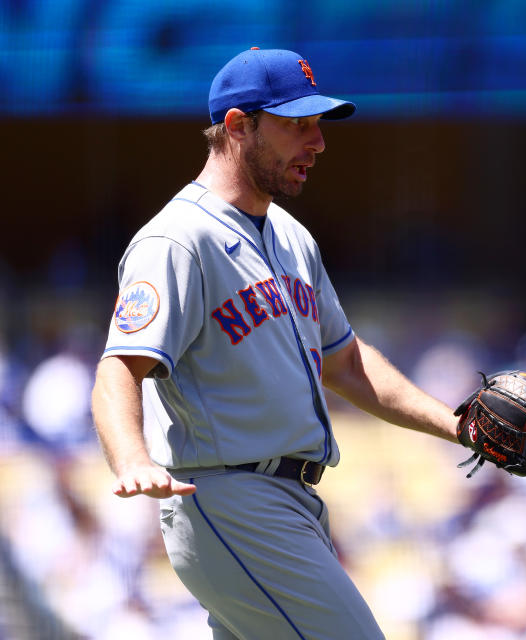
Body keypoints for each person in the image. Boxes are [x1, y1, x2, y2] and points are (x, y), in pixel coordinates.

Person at [91, 47, 462, 640]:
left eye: (319, 125)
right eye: (298, 125)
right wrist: (132, 458)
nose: (317, 143)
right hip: (231, 499)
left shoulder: (291, 235)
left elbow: (345, 362)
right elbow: (119, 367)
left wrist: (458, 427)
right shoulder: (178, 239)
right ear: (239, 126)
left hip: (288, 501)